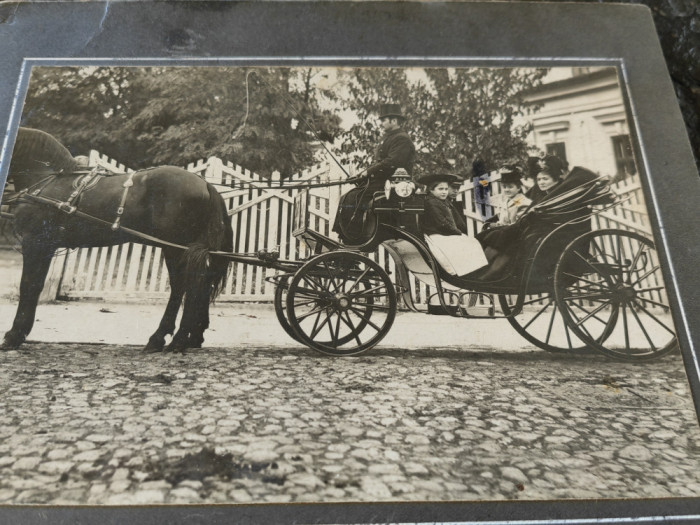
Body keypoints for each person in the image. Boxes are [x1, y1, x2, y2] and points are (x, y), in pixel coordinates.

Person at [333, 103, 416, 243]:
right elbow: (380, 162)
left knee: (353, 197)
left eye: (384, 120)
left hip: (393, 184)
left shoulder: (402, 139)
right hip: (383, 181)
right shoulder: (390, 138)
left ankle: (353, 237)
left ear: (394, 120)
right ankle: (346, 236)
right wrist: (362, 175)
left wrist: (368, 173)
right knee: (348, 197)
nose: (382, 123)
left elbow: (391, 162)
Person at [419, 173, 488, 277]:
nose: (444, 192)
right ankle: (464, 272)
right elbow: (441, 223)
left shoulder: (443, 202)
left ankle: (472, 271)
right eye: (440, 189)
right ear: (431, 190)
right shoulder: (431, 202)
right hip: (437, 234)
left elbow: (455, 221)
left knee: (472, 243)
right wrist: (457, 232)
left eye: (446, 189)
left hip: (445, 233)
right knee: (462, 245)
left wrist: (459, 232)